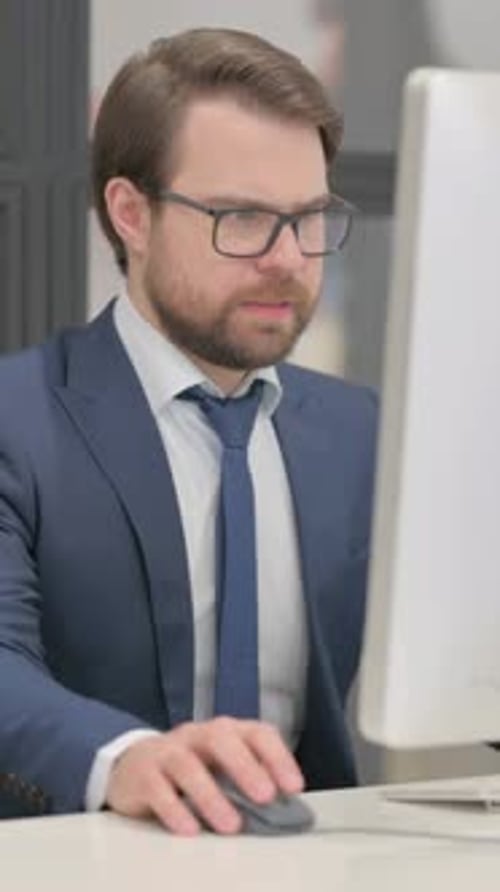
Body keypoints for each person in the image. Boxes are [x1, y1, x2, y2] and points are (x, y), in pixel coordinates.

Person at [0, 27, 377, 833]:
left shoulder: (360, 432)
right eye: (241, 218)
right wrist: (124, 756)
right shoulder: (17, 419)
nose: (288, 259)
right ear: (130, 214)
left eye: (309, 217)